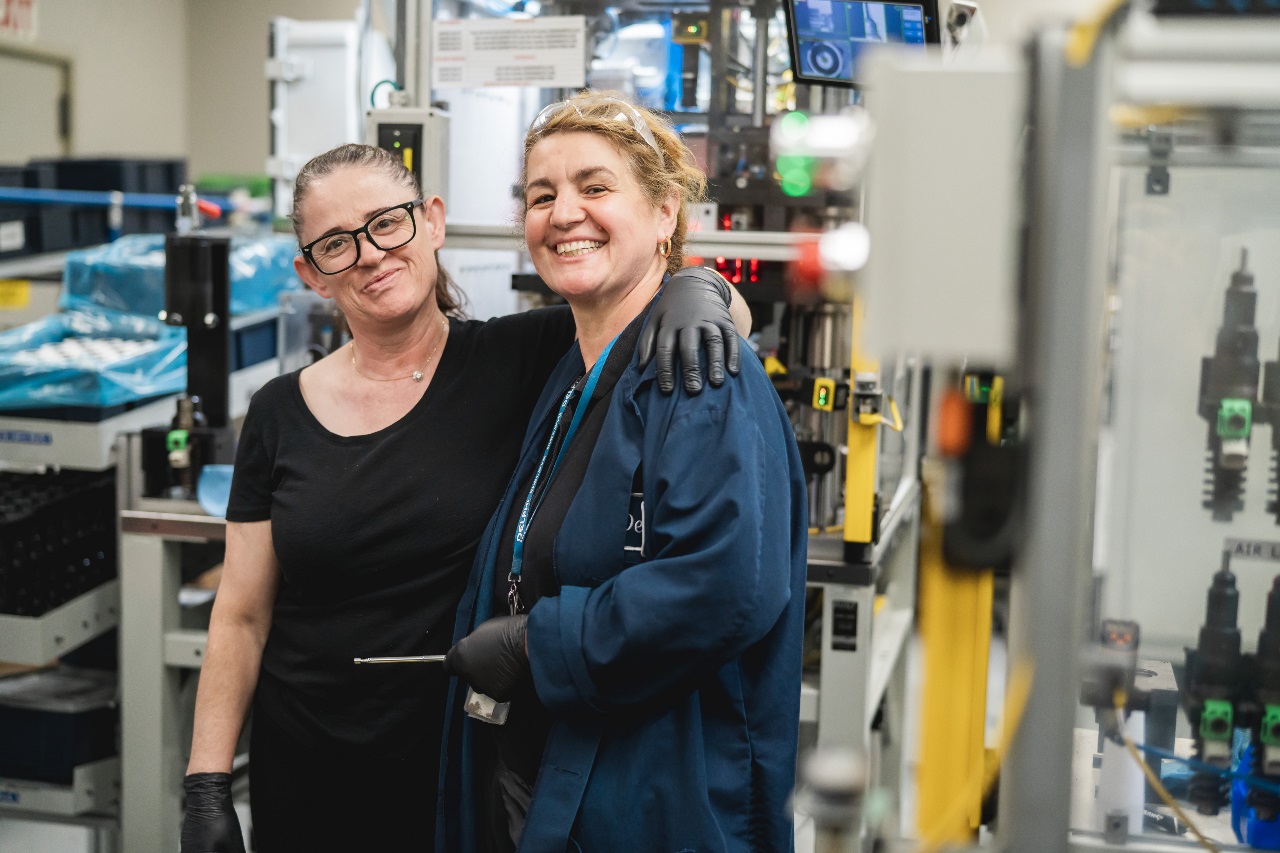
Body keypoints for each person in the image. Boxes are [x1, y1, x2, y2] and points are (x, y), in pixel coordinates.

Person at [178, 142, 746, 853]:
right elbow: (241, 614)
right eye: (335, 244)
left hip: (460, 765)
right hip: (305, 765)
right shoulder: (276, 413)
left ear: (432, 222)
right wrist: (205, 782)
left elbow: (694, 321)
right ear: (311, 274)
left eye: (387, 223)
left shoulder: (526, 356)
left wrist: (703, 292)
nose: (369, 253)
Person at [440, 92, 808, 853]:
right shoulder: (572, 366)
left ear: (665, 211)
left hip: (659, 801)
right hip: (557, 777)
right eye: (542, 196)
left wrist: (536, 644)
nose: (564, 212)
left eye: (595, 187)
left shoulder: (701, 372)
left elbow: (722, 586)